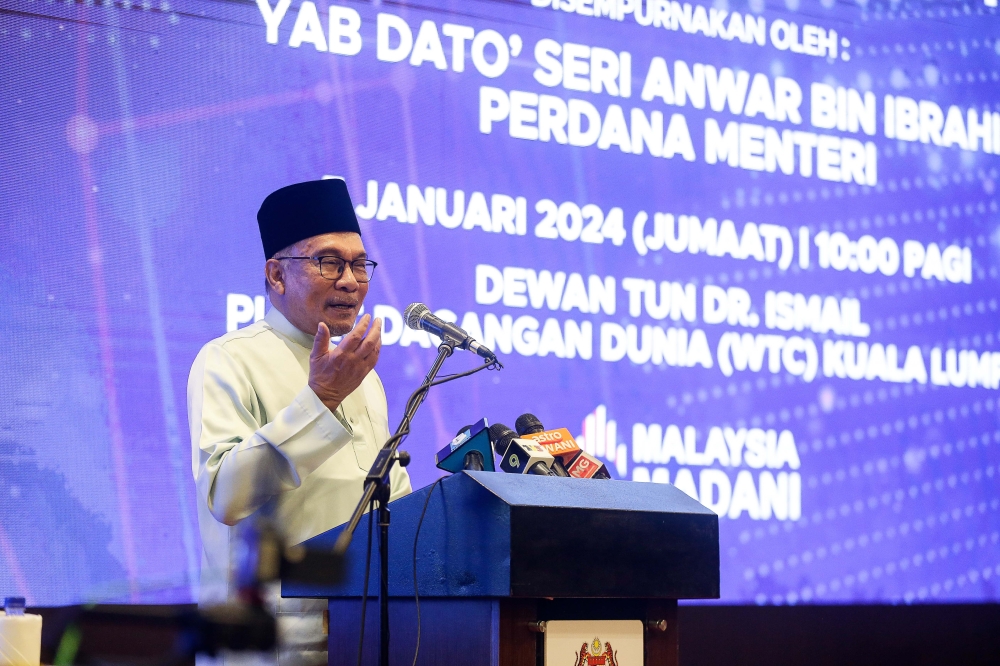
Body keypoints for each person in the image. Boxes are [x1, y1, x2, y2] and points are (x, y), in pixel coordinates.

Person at [187, 179, 412, 665]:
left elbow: (391, 500)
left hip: (361, 638)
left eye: (358, 264)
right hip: (269, 647)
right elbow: (226, 496)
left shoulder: (365, 378)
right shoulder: (229, 360)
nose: (350, 280)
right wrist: (321, 398)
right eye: (329, 262)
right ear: (276, 275)